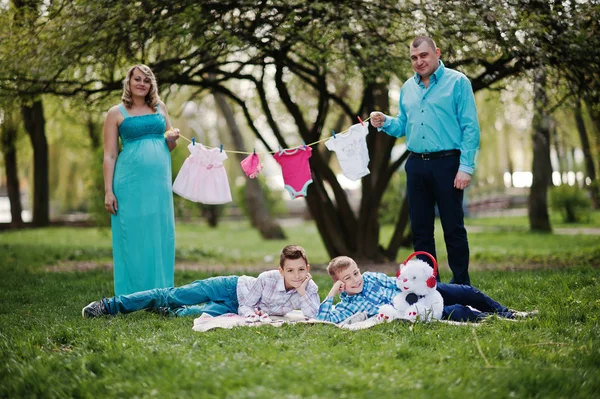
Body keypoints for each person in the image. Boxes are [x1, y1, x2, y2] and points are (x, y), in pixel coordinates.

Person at [370, 36, 480, 285]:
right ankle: (430, 286)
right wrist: (384, 121)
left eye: (423, 55)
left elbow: (470, 128)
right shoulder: (408, 87)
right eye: (413, 58)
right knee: (420, 231)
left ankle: (461, 284)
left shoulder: (458, 82)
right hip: (416, 164)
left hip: (448, 164)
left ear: (437, 53)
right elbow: (402, 126)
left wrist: (466, 167)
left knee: (453, 228)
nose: (419, 62)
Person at [103, 64, 180, 296]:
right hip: (129, 183)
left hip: (159, 183)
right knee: (133, 234)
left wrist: (173, 139)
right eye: (137, 79)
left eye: (146, 80)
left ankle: (161, 293)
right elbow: (109, 154)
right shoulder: (115, 113)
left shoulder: (160, 107)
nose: (141, 84)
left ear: (151, 85)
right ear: (129, 82)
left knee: (159, 233)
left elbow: (169, 144)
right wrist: (108, 191)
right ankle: (132, 295)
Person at [82, 245, 320, 319]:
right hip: (229, 287)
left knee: (187, 315)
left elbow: (313, 315)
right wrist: (250, 316)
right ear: (281, 271)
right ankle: (108, 305)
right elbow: (247, 305)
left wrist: (301, 292)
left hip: (230, 308)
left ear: (307, 268)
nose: (297, 275)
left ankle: (167, 312)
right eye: (291, 270)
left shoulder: (309, 288)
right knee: (172, 295)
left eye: (301, 270)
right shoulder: (267, 278)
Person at [316, 256, 537, 324]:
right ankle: (501, 320)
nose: (356, 279)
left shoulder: (370, 278)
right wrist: (331, 295)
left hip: (418, 290)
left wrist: (417, 283)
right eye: (348, 278)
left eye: (356, 272)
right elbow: (323, 319)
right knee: (459, 311)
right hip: (416, 307)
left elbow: (397, 282)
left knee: (466, 291)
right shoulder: (348, 305)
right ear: (340, 284)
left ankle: (509, 312)